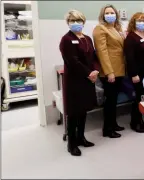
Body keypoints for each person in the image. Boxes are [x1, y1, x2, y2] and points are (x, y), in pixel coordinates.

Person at [59, 10, 98, 156]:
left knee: (83, 110)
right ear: (68, 23)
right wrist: (89, 73)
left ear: (83, 21)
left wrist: (95, 72)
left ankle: (81, 137)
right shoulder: (66, 39)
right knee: (73, 112)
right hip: (74, 80)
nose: (75, 23)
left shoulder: (87, 38)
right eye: (72, 21)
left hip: (88, 80)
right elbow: (72, 61)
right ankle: (71, 143)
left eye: (78, 20)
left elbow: (93, 57)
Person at [93, 4, 126, 138]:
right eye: (107, 13)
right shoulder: (100, 29)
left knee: (114, 100)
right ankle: (107, 129)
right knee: (110, 101)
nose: (110, 15)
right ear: (103, 15)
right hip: (110, 71)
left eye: (112, 13)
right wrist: (109, 72)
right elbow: (102, 52)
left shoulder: (116, 29)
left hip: (119, 69)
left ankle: (113, 124)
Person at [124, 12, 144, 133]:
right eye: (139, 20)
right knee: (137, 98)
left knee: (143, 98)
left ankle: (140, 120)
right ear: (134, 22)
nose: (142, 23)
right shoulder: (131, 37)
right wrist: (134, 74)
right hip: (137, 73)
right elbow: (129, 58)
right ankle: (134, 122)